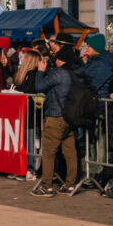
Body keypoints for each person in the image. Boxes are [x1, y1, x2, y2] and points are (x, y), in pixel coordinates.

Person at [32, 46, 78, 196]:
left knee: (49, 152)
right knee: (70, 152)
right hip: (69, 117)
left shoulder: (59, 73)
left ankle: (47, 186)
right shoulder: (75, 72)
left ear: (60, 60)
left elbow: (39, 86)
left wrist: (40, 71)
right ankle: (70, 184)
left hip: (55, 116)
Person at [77, 33, 113, 98]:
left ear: (95, 48)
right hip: (95, 98)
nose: (86, 48)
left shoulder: (103, 63)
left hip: (100, 100)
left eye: (89, 46)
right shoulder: (95, 60)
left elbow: (93, 84)